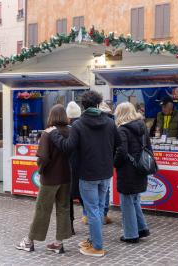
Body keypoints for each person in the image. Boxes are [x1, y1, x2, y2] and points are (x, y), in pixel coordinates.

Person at [47, 91, 120, 257]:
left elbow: (67, 147)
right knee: (99, 209)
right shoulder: (109, 122)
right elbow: (119, 144)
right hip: (105, 172)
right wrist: (108, 159)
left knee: (93, 210)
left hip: (87, 174)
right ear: (97, 104)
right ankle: (93, 240)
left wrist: (54, 134)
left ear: (83, 105)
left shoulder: (79, 124)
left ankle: (97, 247)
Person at [15, 104, 72, 254]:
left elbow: (43, 158)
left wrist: (40, 170)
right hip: (66, 176)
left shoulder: (47, 133)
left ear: (51, 116)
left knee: (42, 209)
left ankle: (29, 241)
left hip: (50, 178)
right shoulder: (70, 131)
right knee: (63, 209)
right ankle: (59, 243)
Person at [114, 102, 151, 243]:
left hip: (128, 171)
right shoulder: (143, 127)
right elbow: (149, 148)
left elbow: (121, 151)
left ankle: (130, 235)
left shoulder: (122, 130)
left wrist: (114, 163)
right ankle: (142, 228)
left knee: (127, 202)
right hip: (141, 168)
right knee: (135, 200)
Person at [65, 101, 83, 235]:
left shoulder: (67, 130)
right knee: (87, 200)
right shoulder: (84, 127)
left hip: (69, 168)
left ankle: (70, 226)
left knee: (69, 199)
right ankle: (96, 225)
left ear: (68, 117)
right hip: (83, 169)